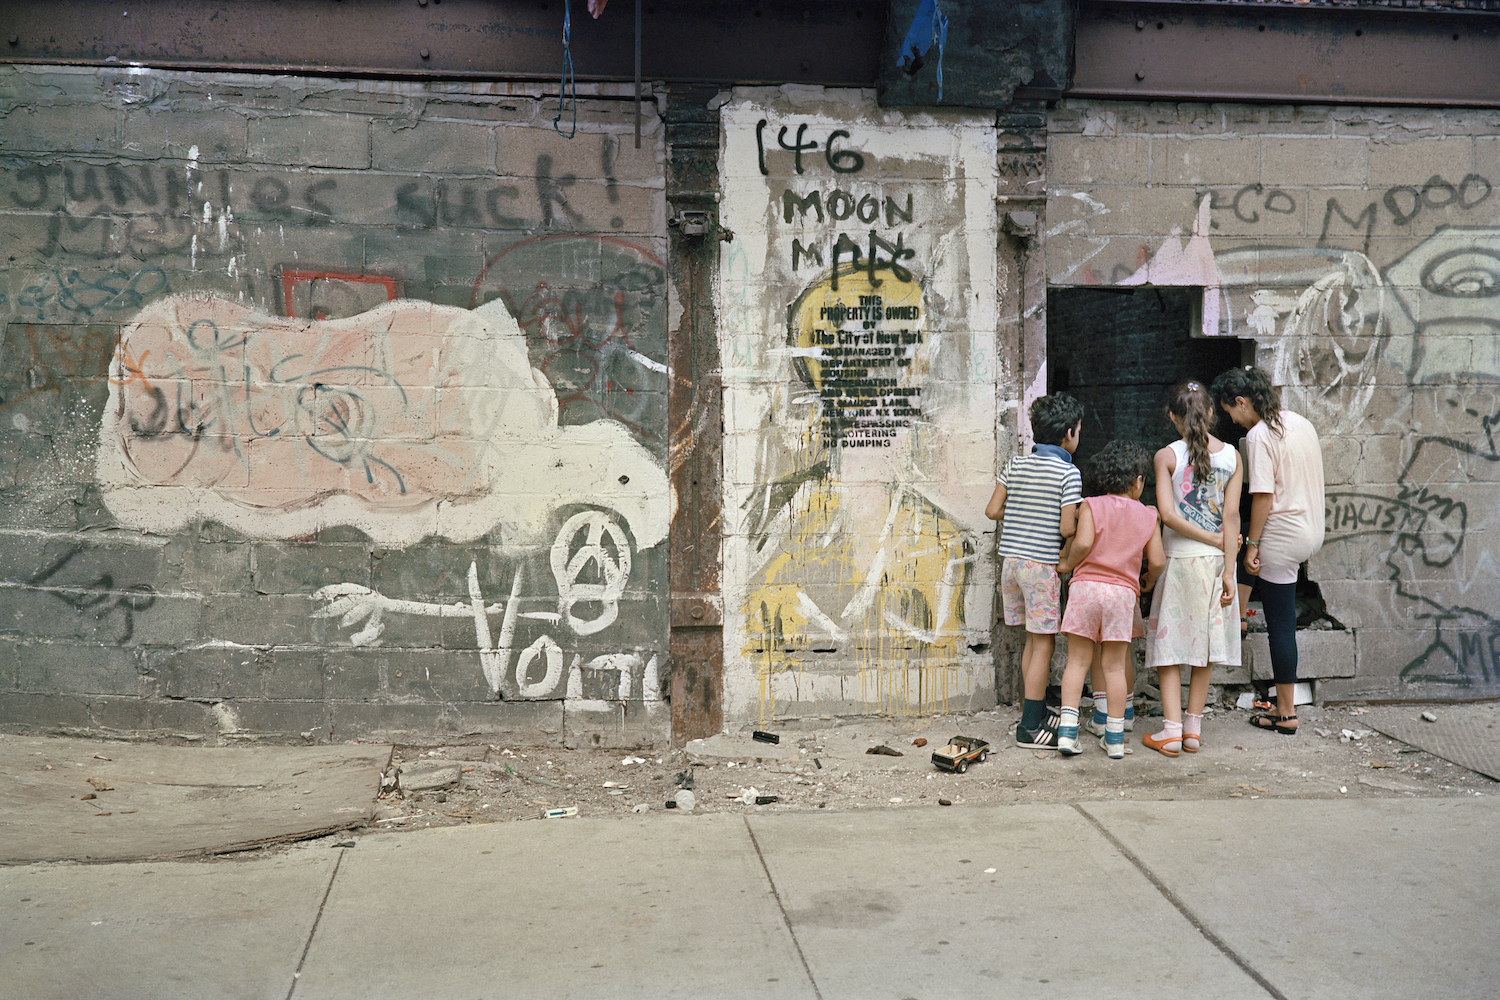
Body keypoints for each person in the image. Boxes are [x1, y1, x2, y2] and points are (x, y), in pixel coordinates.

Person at [1210, 366, 1325, 735]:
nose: (1234, 421)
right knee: (1246, 547)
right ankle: (1240, 617)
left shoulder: (1259, 435)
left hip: (1282, 534)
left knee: (1280, 625)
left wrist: (1254, 545)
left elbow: (1262, 495)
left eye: (1232, 412)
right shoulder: (1300, 423)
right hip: (1311, 531)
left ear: (1242, 402)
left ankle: (1286, 712)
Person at [1142, 382, 1243, 756]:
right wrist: (1229, 567)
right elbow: (1231, 516)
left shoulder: (1167, 456)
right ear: (1212, 414)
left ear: (1172, 416)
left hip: (1180, 562)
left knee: (1170, 646)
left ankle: (1170, 729)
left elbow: (1167, 515)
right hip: (1217, 565)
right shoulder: (1232, 456)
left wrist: (1212, 540)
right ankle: (1192, 730)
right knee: (1205, 647)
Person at [1054, 441, 1166, 758]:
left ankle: (1066, 734)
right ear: (1138, 481)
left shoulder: (1090, 505)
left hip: (1086, 588)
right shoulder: (1148, 515)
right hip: (1121, 594)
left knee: (1077, 662)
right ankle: (1115, 740)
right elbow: (1157, 561)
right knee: (1115, 667)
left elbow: (1084, 541)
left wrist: (1067, 564)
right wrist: (1147, 580)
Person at [986, 394, 1084, 749]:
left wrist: (1021, 512)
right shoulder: (1068, 472)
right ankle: (1029, 727)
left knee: (1032, 639)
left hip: (1010, 563)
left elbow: (993, 510)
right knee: (1043, 643)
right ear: (1070, 433)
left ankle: (1038, 709)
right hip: (1040, 567)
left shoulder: (1015, 464)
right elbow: (1067, 528)